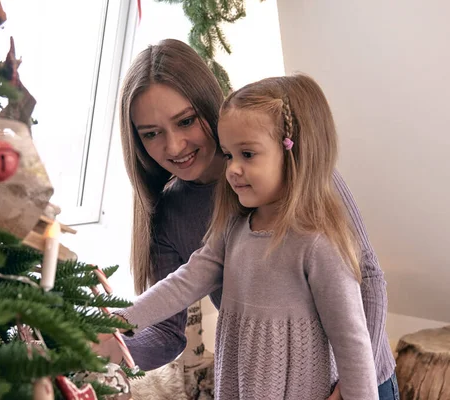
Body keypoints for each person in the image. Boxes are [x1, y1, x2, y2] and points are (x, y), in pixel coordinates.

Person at [95, 39, 397, 399]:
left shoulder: (308, 199)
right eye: (151, 133)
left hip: (349, 382)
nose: (174, 146)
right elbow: (173, 310)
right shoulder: (214, 223)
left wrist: (351, 388)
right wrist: (110, 334)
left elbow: (366, 289)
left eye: (186, 121)